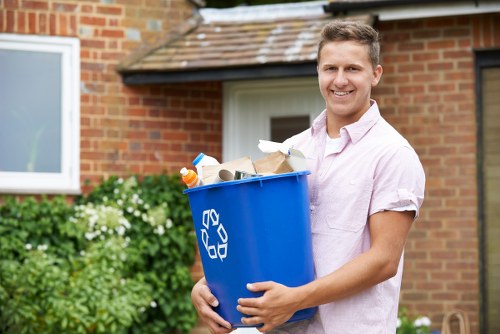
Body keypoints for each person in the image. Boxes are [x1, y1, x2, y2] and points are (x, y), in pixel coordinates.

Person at [191, 20, 425, 334]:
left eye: (353, 69)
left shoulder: (392, 154)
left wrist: (296, 299)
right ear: (318, 71)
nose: (340, 80)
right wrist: (209, 287)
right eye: (330, 68)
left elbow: (383, 260)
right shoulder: (290, 150)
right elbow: (258, 237)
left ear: (376, 74)